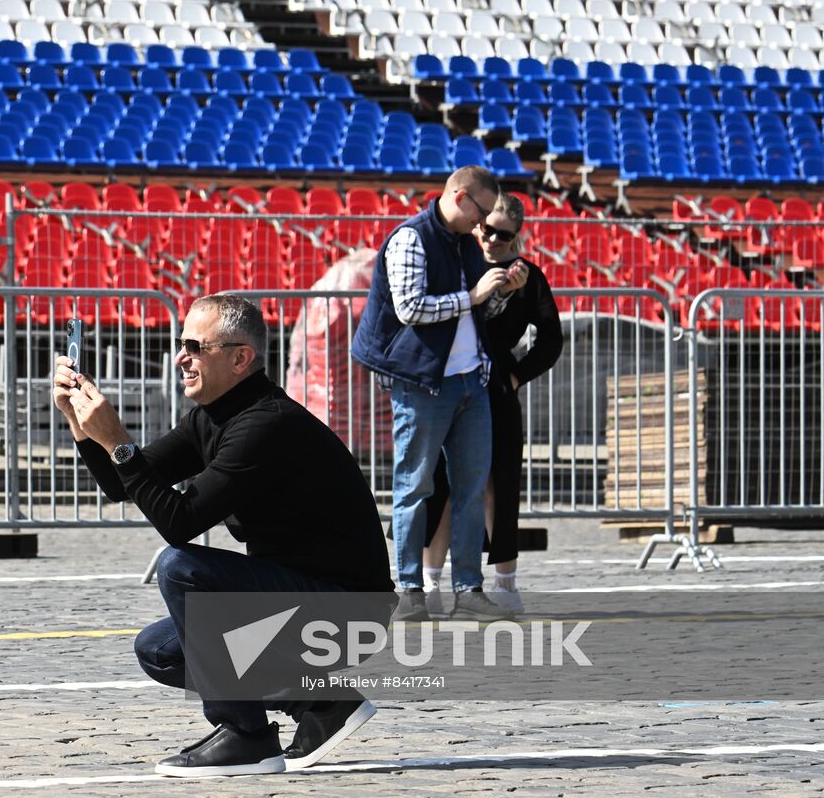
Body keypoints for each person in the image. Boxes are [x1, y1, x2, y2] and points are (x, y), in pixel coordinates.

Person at [53, 294, 394, 778]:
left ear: (240, 358)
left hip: (347, 611)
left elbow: (179, 522)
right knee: (161, 650)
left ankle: (247, 736)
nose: (180, 357)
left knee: (182, 568)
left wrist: (118, 442)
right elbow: (121, 482)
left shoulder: (266, 424)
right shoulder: (212, 416)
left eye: (195, 346)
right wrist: (82, 424)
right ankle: (322, 703)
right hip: (302, 597)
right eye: (180, 343)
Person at [349, 165, 525, 622]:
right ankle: (409, 590)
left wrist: (501, 292)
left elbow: (477, 311)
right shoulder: (411, 238)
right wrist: (474, 294)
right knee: (414, 487)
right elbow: (412, 308)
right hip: (423, 383)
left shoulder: (464, 243)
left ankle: (468, 589)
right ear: (462, 197)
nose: (484, 227)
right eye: (482, 215)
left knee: (468, 490)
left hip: (471, 381)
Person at [421, 193, 563, 614]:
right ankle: (430, 585)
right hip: (450, 379)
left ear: (517, 235)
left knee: (497, 485)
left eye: (505, 234)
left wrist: (518, 375)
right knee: (441, 482)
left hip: (497, 385)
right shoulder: (455, 264)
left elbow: (551, 338)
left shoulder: (528, 276)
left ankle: (506, 583)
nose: (494, 239)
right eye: (488, 229)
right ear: (477, 223)